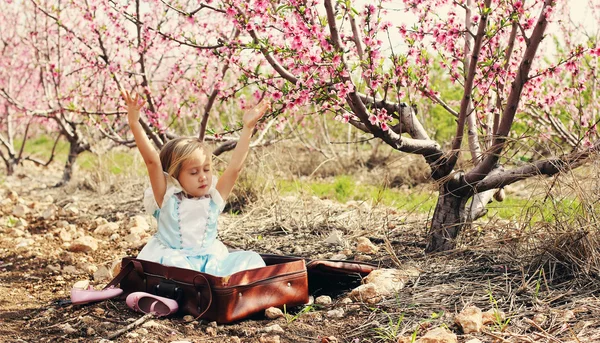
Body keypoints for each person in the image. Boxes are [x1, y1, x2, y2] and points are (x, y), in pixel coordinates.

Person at [122, 90, 269, 277]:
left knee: (251, 258)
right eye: (193, 172)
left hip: (211, 263)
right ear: (174, 176)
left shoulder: (213, 197)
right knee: (177, 268)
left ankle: (228, 292)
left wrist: (247, 129)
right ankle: (197, 295)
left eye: (206, 169)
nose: (203, 177)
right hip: (176, 263)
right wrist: (134, 123)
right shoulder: (166, 199)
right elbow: (153, 162)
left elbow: (234, 168)